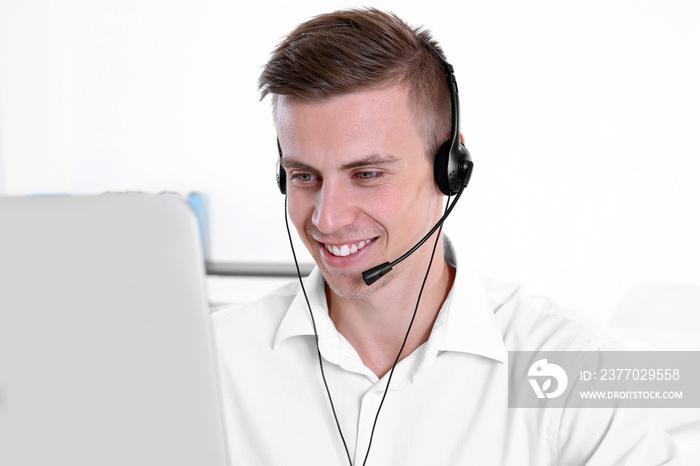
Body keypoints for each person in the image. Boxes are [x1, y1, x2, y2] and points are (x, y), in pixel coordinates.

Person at [213, 7, 679, 465]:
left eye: (367, 174)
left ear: (450, 171)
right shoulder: (211, 360)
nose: (328, 218)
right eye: (304, 177)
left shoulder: (575, 367)